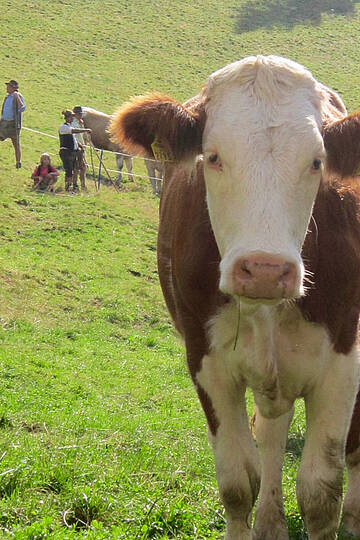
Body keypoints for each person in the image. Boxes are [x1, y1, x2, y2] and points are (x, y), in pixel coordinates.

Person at [58, 109, 91, 192]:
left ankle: (71, 187)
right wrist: (85, 130)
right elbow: (73, 131)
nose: (72, 119)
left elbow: (74, 141)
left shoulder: (68, 127)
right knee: (69, 171)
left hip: (72, 152)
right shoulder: (63, 127)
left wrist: (80, 147)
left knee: (73, 169)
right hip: (66, 152)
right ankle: (67, 187)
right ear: (67, 118)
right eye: (71, 117)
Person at [0, 80, 26, 169]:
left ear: (13, 88)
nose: (7, 88)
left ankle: (18, 162)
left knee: (16, 143)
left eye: (9, 86)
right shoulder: (7, 97)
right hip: (4, 122)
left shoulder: (17, 96)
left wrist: (17, 96)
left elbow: (22, 108)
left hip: (13, 124)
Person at [72, 106, 87, 191]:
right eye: (79, 114)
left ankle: (79, 184)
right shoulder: (74, 123)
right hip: (77, 148)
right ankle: (79, 185)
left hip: (80, 147)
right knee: (79, 167)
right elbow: (75, 134)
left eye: (81, 114)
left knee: (80, 167)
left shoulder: (79, 122)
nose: (80, 115)